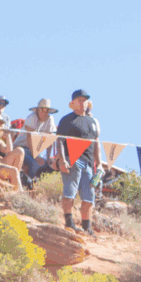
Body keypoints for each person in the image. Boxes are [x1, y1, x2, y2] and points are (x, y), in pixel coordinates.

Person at [56, 89, 101, 235]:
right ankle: (69, 224)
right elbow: (60, 140)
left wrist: (99, 164)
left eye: (85, 100)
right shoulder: (66, 119)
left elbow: (96, 143)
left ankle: (87, 228)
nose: (83, 103)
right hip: (72, 160)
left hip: (89, 163)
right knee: (70, 192)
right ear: (73, 103)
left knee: (89, 197)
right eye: (80, 100)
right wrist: (62, 159)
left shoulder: (93, 122)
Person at [10, 98, 57, 181]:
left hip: (35, 151)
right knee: (34, 164)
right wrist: (35, 156)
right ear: (38, 110)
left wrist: (49, 157)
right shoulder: (32, 117)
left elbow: (50, 139)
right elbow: (30, 138)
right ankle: (32, 185)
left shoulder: (50, 119)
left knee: (48, 165)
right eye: (42, 110)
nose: (45, 113)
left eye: (47, 111)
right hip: (21, 148)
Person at [0, 114, 22, 192]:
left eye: (1, 123)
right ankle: (20, 194)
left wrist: (7, 134)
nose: (0, 125)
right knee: (13, 171)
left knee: (19, 151)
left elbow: (8, 150)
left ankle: (13, 183)